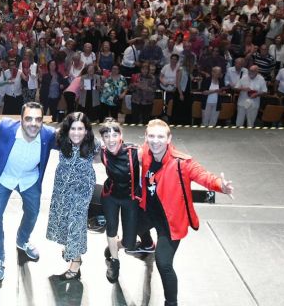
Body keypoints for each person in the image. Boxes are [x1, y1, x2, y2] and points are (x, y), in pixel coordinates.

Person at [139, 119, 234, 306]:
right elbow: (119, 149)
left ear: (169, 139)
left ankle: (171, 303)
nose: (155, 141)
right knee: (128, 235)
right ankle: (142, 242)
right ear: (146, 137)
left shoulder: (181, 162)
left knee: (164, 263)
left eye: (160, 136)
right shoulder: (144, 154)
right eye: (151, 136)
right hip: (148, 212)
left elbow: (203, 176)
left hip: (170, 221)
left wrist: (220, 186)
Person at [0, 102, 57, 281]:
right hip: (4, 178)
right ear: (21, 119)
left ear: (42, 121)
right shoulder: (6, 128)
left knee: (32, 213)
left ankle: (22, 240)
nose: (33, 123)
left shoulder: (48, 135)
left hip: (29, 180)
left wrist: (103, 144)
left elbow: (74, 137)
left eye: (38, 119)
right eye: (28, 118)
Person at [46, 112, 98, 280]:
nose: (76, 133)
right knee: (64, 217)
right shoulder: (61, 139)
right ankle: (71, 247)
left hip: (82, 188)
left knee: (76, 220)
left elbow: (113, 147)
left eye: (80, 129)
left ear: (86, 130)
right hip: (62, 186)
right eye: (73, 128)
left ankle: (76, 263)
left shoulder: (93, 143)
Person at [98, 119, 142, 283]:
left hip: (130, 198)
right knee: (111, 228)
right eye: (106, 136)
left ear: (121, 135)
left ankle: (114, 246)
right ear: (102, 138)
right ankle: (114, 263)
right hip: (111, 196)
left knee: (130, 243)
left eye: (114, 135)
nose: (111, 139)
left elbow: (156, 162)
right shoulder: (101, 152)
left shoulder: (135, 151)